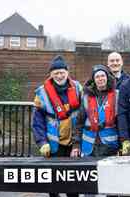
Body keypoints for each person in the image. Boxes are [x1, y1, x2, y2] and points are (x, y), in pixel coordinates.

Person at [32, 55, 82, 197]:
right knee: (53, 183)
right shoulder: (41, 93)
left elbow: (84, 116)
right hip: (54, 144)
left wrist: (79, 143)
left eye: (62, 72)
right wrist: (42, 142)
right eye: (56, 73)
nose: (59, 76)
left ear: (67, 72)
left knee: (73, 183)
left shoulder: (78, 88)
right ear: (51, 74)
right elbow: (37, 122)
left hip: (73, 143)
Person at [72, 64, 120, 158]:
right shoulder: (85, 97)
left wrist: (122, 145)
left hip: (110, 147)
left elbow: (121, 123)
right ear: (93, 80)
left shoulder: (117, 95)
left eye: (103, 75)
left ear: (107, 77)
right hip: (88, 146)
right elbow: (79, 123)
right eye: (97, 76)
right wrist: (76, 145)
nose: (100, 79)